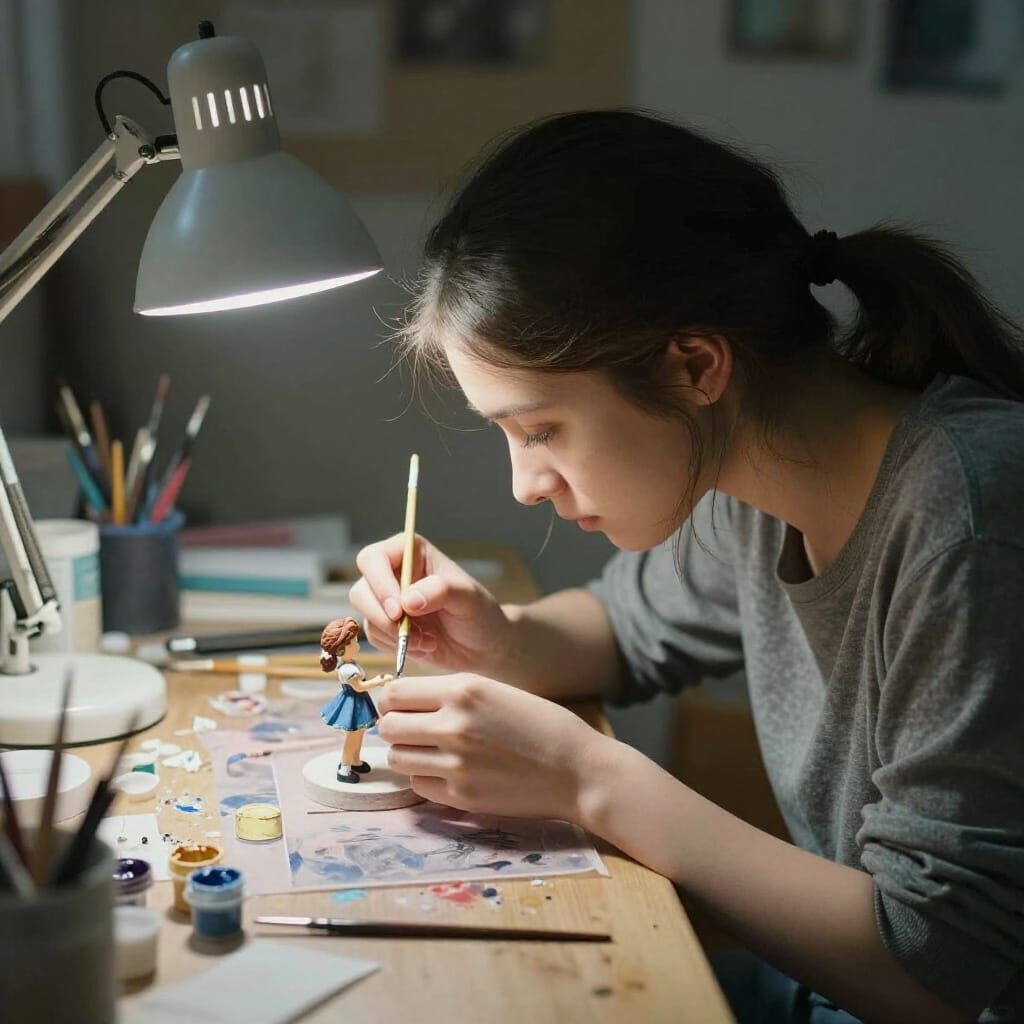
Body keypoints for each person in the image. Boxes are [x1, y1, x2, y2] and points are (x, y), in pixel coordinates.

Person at [348, 111, 1024, 1023]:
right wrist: (495, 636)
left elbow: (932, 972)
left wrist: (590, 780)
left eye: (540, 429)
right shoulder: (755, 474)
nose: (525, 485)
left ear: (695, 366)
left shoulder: (969, 516)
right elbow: (626, 632)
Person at [318, 616, 392, 783]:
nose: (358, 646)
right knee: (352, 738)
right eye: (354, 643)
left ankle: (355, 761)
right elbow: (359, 686)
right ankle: (345, 767)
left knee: (359, 735)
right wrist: (379, 681)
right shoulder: (347, 669)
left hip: (359, 702)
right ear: (341, 649)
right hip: (352, 704)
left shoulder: (351, 663)